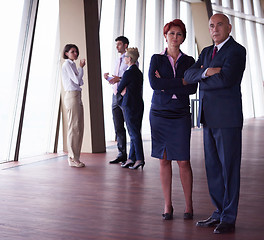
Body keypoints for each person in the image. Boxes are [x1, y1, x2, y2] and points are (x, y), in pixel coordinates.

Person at [184, 13, 246, 234]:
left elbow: (227, 80)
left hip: (228, 119)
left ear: (229, 27)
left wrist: (202, 77)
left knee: (229, 168)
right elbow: (188, 75)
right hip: (208, 118)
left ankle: (229, 217)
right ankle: (219, 212)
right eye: (211, 26)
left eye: (220, 25)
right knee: (213, 169)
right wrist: (208, 72)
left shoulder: (237, 51)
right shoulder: (206, 52)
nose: (215, 29)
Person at [148, 19, 197, 220]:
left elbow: (192, 88)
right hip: (159, 113)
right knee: (164, 159)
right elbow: (153, 83)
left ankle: (189, 206)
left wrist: (166, 83)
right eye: (171, 33)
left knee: (184, 161)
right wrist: (181, 82)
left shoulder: (190, 61)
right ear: (165, 36)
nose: (175, 37)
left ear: (183, 37)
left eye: (179, 34)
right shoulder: (156, 59)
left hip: (180, 114)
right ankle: (168, 205)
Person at [113, 47, 145, 170]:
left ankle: (139, 159)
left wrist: (122, 91)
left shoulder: (128, 72)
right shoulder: (138, 72)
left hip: (129, 104)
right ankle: (131, 158)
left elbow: (119, 88)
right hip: (138, 104)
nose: (124, 58)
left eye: (125, 56)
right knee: (135, 132)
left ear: (129, 59)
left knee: (133, 133)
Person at [104, 36, 129, 164]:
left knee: (130, 126)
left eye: (119, 44)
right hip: (115, 95)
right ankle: (121, 154)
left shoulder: (130, 59)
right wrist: (108, 78)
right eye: (116, 44)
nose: (117, 47)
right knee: (118, 126)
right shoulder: (116, 60)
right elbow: (117, 78)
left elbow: (130, 76)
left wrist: (118, 79)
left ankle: (134, 155)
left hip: (125, 95)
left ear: (125, 45)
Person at [61, 44, 86, 168]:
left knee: (79, 127)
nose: (75, 54)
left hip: (77, 96)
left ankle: (76, 157)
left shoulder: (72, 65)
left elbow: (80, 81)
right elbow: (77, 81)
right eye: (72, 51)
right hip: (72, 96)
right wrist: (81, 68)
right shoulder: (67, 65)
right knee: (73, 127)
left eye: (76, 51)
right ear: (66, 53)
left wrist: (80, 70)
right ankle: (72, 158)